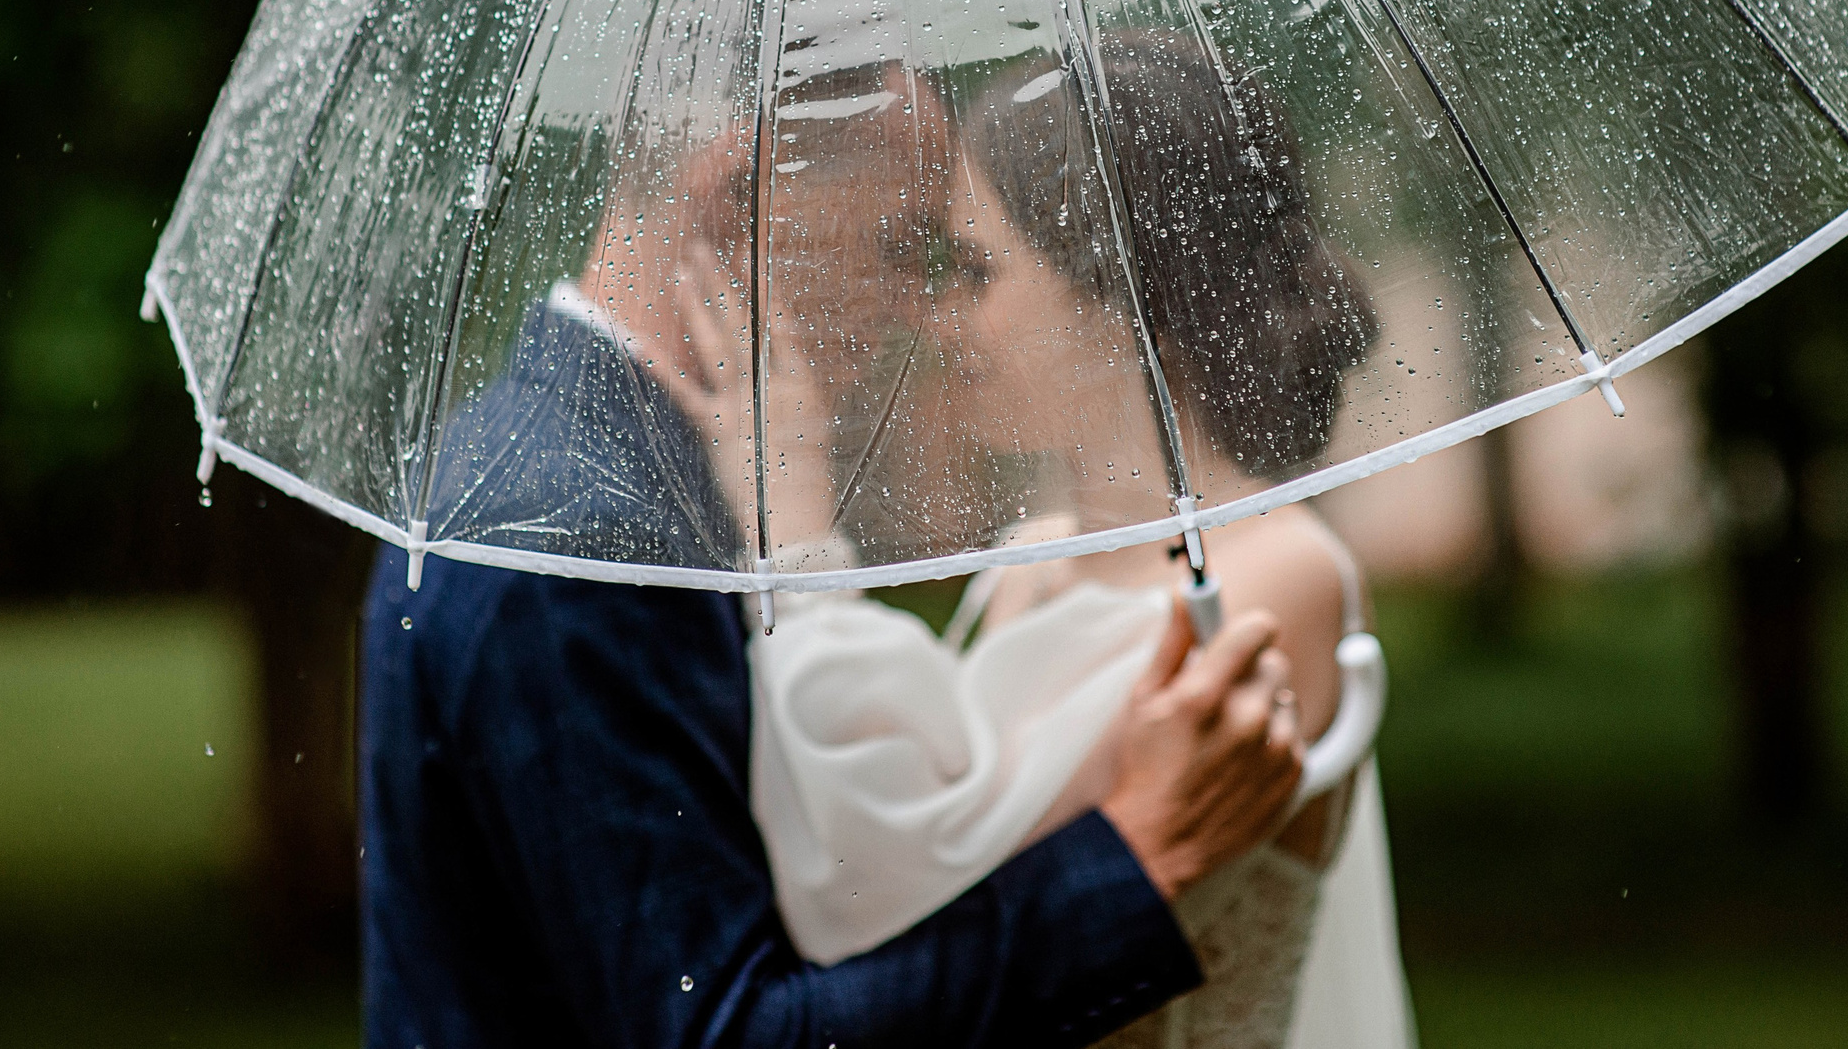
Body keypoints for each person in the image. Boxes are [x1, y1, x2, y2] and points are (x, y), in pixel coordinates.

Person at [358, 60, 1307, 1049]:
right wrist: (1139, 862)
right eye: (900, 245)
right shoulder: (582, 533)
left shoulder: (614, 472)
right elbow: (729, 1032)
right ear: (742, 194)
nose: (916, 308)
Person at [747, 34, 1415, 1048]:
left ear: (1117, 287)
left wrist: (797, 535)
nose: (938, 318)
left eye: (974, 270)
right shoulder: (1031, 553)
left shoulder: (1274, 577)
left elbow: (901, 888)